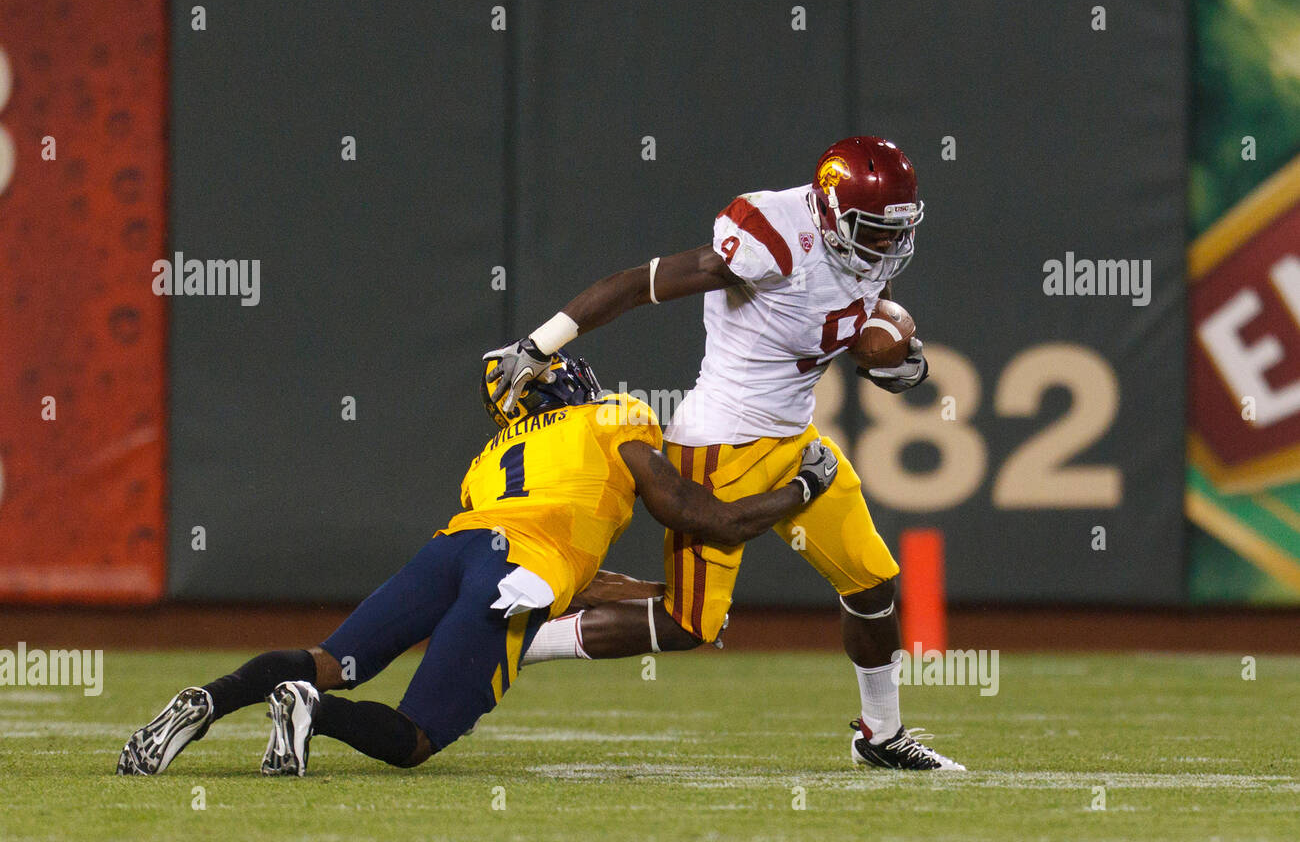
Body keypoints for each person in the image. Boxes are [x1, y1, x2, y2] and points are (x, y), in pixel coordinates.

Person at [116, 352, 838, 776]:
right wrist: (802, 488)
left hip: (456, 549)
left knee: (331, 657)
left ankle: (210, 700)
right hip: (516, 571)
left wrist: (651, 591)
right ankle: (314, 713)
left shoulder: (491, 457)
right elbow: (689, 513)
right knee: (416, 740)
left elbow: (564, 558)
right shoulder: (614, 418)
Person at [484, 135, 965, 770]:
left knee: (873, 583)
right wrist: (540, 344)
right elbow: (639, 285)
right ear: (827, 211)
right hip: (722, 445)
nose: (885, 245)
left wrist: (900, 354)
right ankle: (519, 642)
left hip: (795, 439)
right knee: (690, 624)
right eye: (872, 229)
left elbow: (834, 320)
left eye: (894, 229)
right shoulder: (772, 234)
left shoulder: (862, 245)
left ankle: (881, 735)